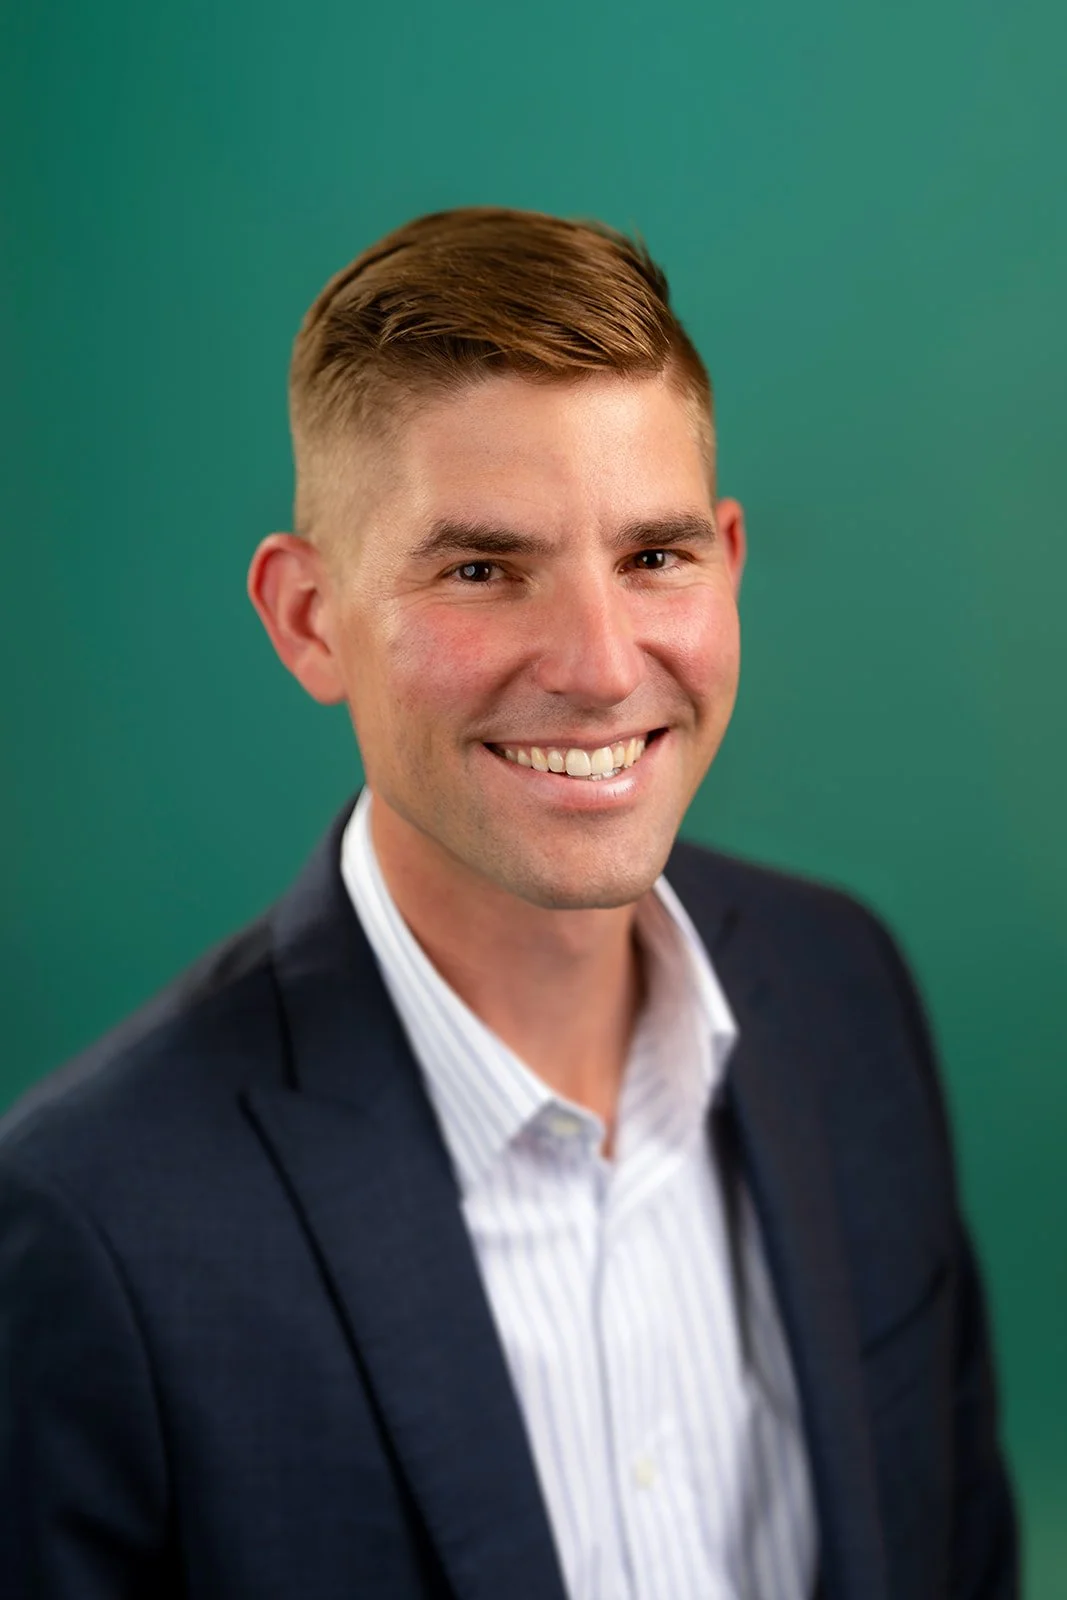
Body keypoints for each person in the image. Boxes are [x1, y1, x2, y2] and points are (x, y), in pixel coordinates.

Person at [0, 207, 1017, 1600]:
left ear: (725, 559)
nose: (600, 667)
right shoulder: (93, 1224)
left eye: (652, 556)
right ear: (308, 619)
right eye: (483, 568)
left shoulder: (844, 991)